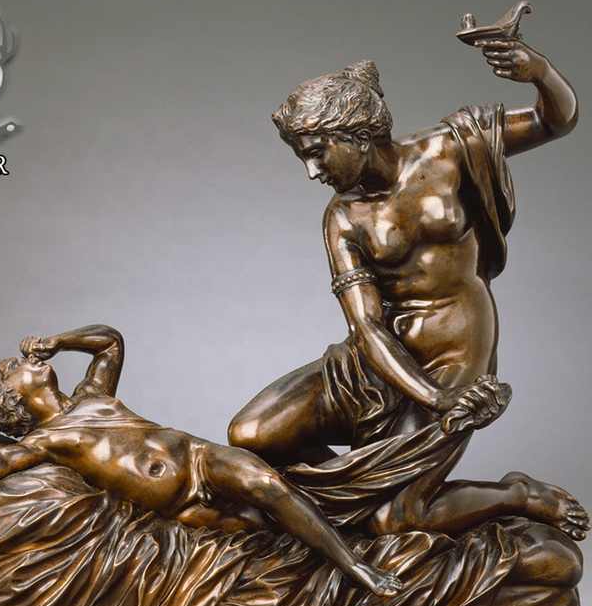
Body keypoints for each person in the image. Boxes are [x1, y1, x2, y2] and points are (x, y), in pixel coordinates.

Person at [228, 39, 587, 539]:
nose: (312, 172)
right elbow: (367, 326)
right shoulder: (342, 218)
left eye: (316, 154)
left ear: (356, 136)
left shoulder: (451, 149)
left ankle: (518, 494)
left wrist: (540, 71)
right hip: (383, 356)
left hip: (455, 351)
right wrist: (433, 400)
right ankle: (342, 500)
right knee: (249, 434)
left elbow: (556, 120)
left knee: (397, 519)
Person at [0, 323, 404, 597]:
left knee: (268, 486)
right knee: (264, 535)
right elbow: (2, 465)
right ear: (13, 397)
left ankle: (356, 567)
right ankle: (353, 539)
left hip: (199, 461)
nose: (24, 361)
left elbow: (110, 343)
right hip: (178, 506)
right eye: (12, 368)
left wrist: (61, 341)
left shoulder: (91, 396)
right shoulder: (48, 440)